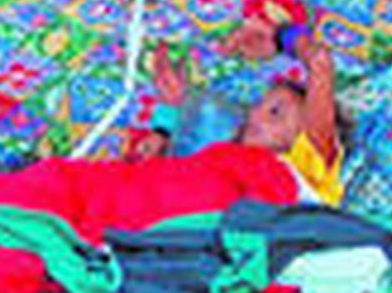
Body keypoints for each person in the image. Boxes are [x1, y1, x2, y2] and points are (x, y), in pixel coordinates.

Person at [136, 28, 345, 206]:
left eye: (275, 113)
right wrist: (166, 124)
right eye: (257, 106)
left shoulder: (307, 165)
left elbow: (320, 62)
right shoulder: (221, 160)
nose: (254, 115)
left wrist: (280, 36)